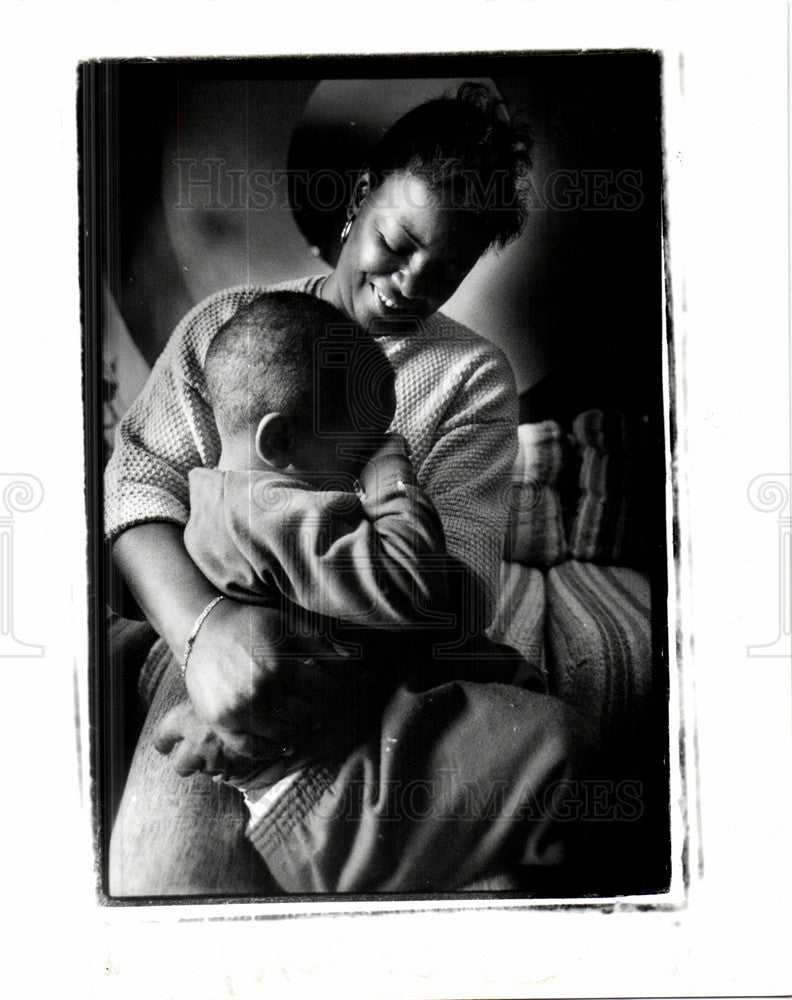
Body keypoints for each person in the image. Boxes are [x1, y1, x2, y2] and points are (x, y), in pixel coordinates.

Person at [106, 82, 595, 895]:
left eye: (443, 273)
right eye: (397, 244)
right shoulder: (232, 325)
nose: (407, 284)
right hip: (211, 659)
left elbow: (457, 596)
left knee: (557, 772)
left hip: (379, 672)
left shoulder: (468, 377)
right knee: (172, 888)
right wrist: (206, 629)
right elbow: (137, 487)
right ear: (360, 197)